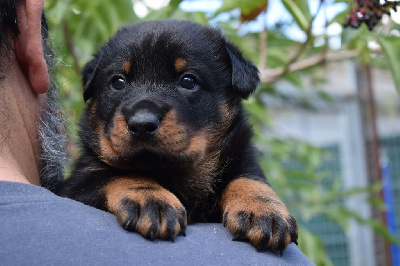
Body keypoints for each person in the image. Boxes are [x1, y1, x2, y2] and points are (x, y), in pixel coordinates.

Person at [0, 1, 314, 265]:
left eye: (188, 81)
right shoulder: (87, 184)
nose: (142, 115)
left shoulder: (242, 180)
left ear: (232, 95)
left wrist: (251, 191)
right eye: (118, 84)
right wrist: (127, 187)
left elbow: (242, 170)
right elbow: (79, 191)